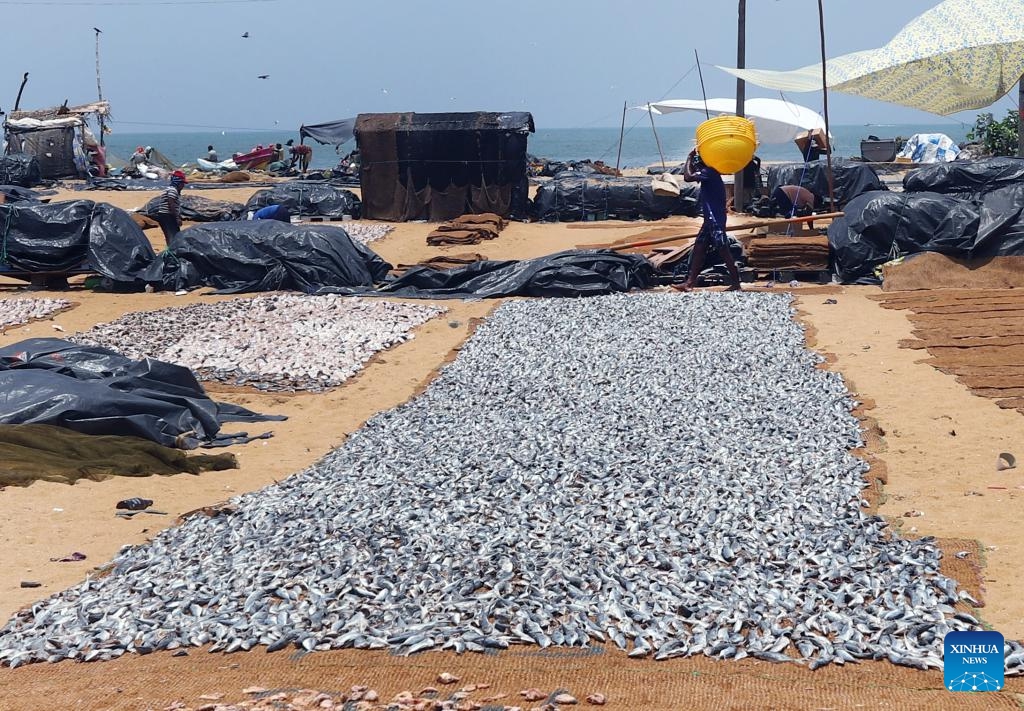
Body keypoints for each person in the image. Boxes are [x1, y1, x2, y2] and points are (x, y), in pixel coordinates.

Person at [673, 149, 740, 292]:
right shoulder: (709, 173)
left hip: (715, 219)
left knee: (723, 250)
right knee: (699, 248)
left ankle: (736, 283)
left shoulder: (709, 172)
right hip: (709, 220)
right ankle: (689, 283)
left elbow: (687, 177)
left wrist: (689, 158)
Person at [152, 170, 186, 241]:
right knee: (173, 236)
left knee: (171, 235)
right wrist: (176, 217)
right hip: (168, 215)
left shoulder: (169, 189)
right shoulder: (172, 190)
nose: (183, 186)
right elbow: (171, 203)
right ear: (178, 183)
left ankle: (171, 250)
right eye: (182, 183)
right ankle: (171, 251)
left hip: (166, 215)